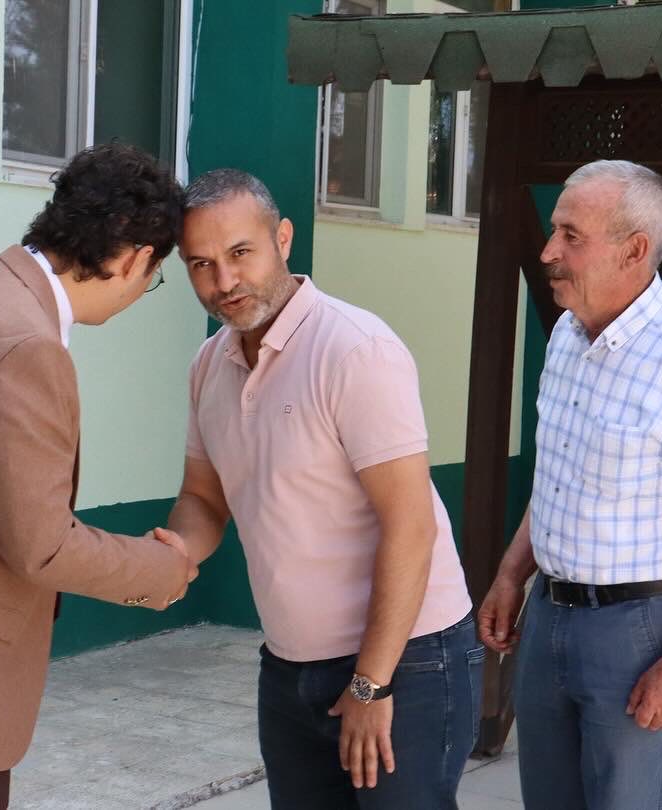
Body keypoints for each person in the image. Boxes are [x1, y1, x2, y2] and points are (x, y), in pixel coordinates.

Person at [163, 169, 481, 809]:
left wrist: (371, 684)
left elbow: (410, 525)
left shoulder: (355, 350)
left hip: (406, 662)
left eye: (240, 253)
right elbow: (203, 498)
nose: (224, 281)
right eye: (201, 264)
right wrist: (168, 556)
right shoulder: (209, 365)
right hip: (288, 666)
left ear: (283, 238)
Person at [0, 143, 197, 809]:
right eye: (154, 277)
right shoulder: (27, 346)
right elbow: (39, 544)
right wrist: (162, 572)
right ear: (133, 259)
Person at [476, 160, 662, 810]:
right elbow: (558, 477)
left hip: (640, 630)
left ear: (634, 250)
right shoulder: (567, 336)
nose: (548, 252)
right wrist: (511, 574)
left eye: (571, 236)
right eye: (555, 230)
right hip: (548, 614)